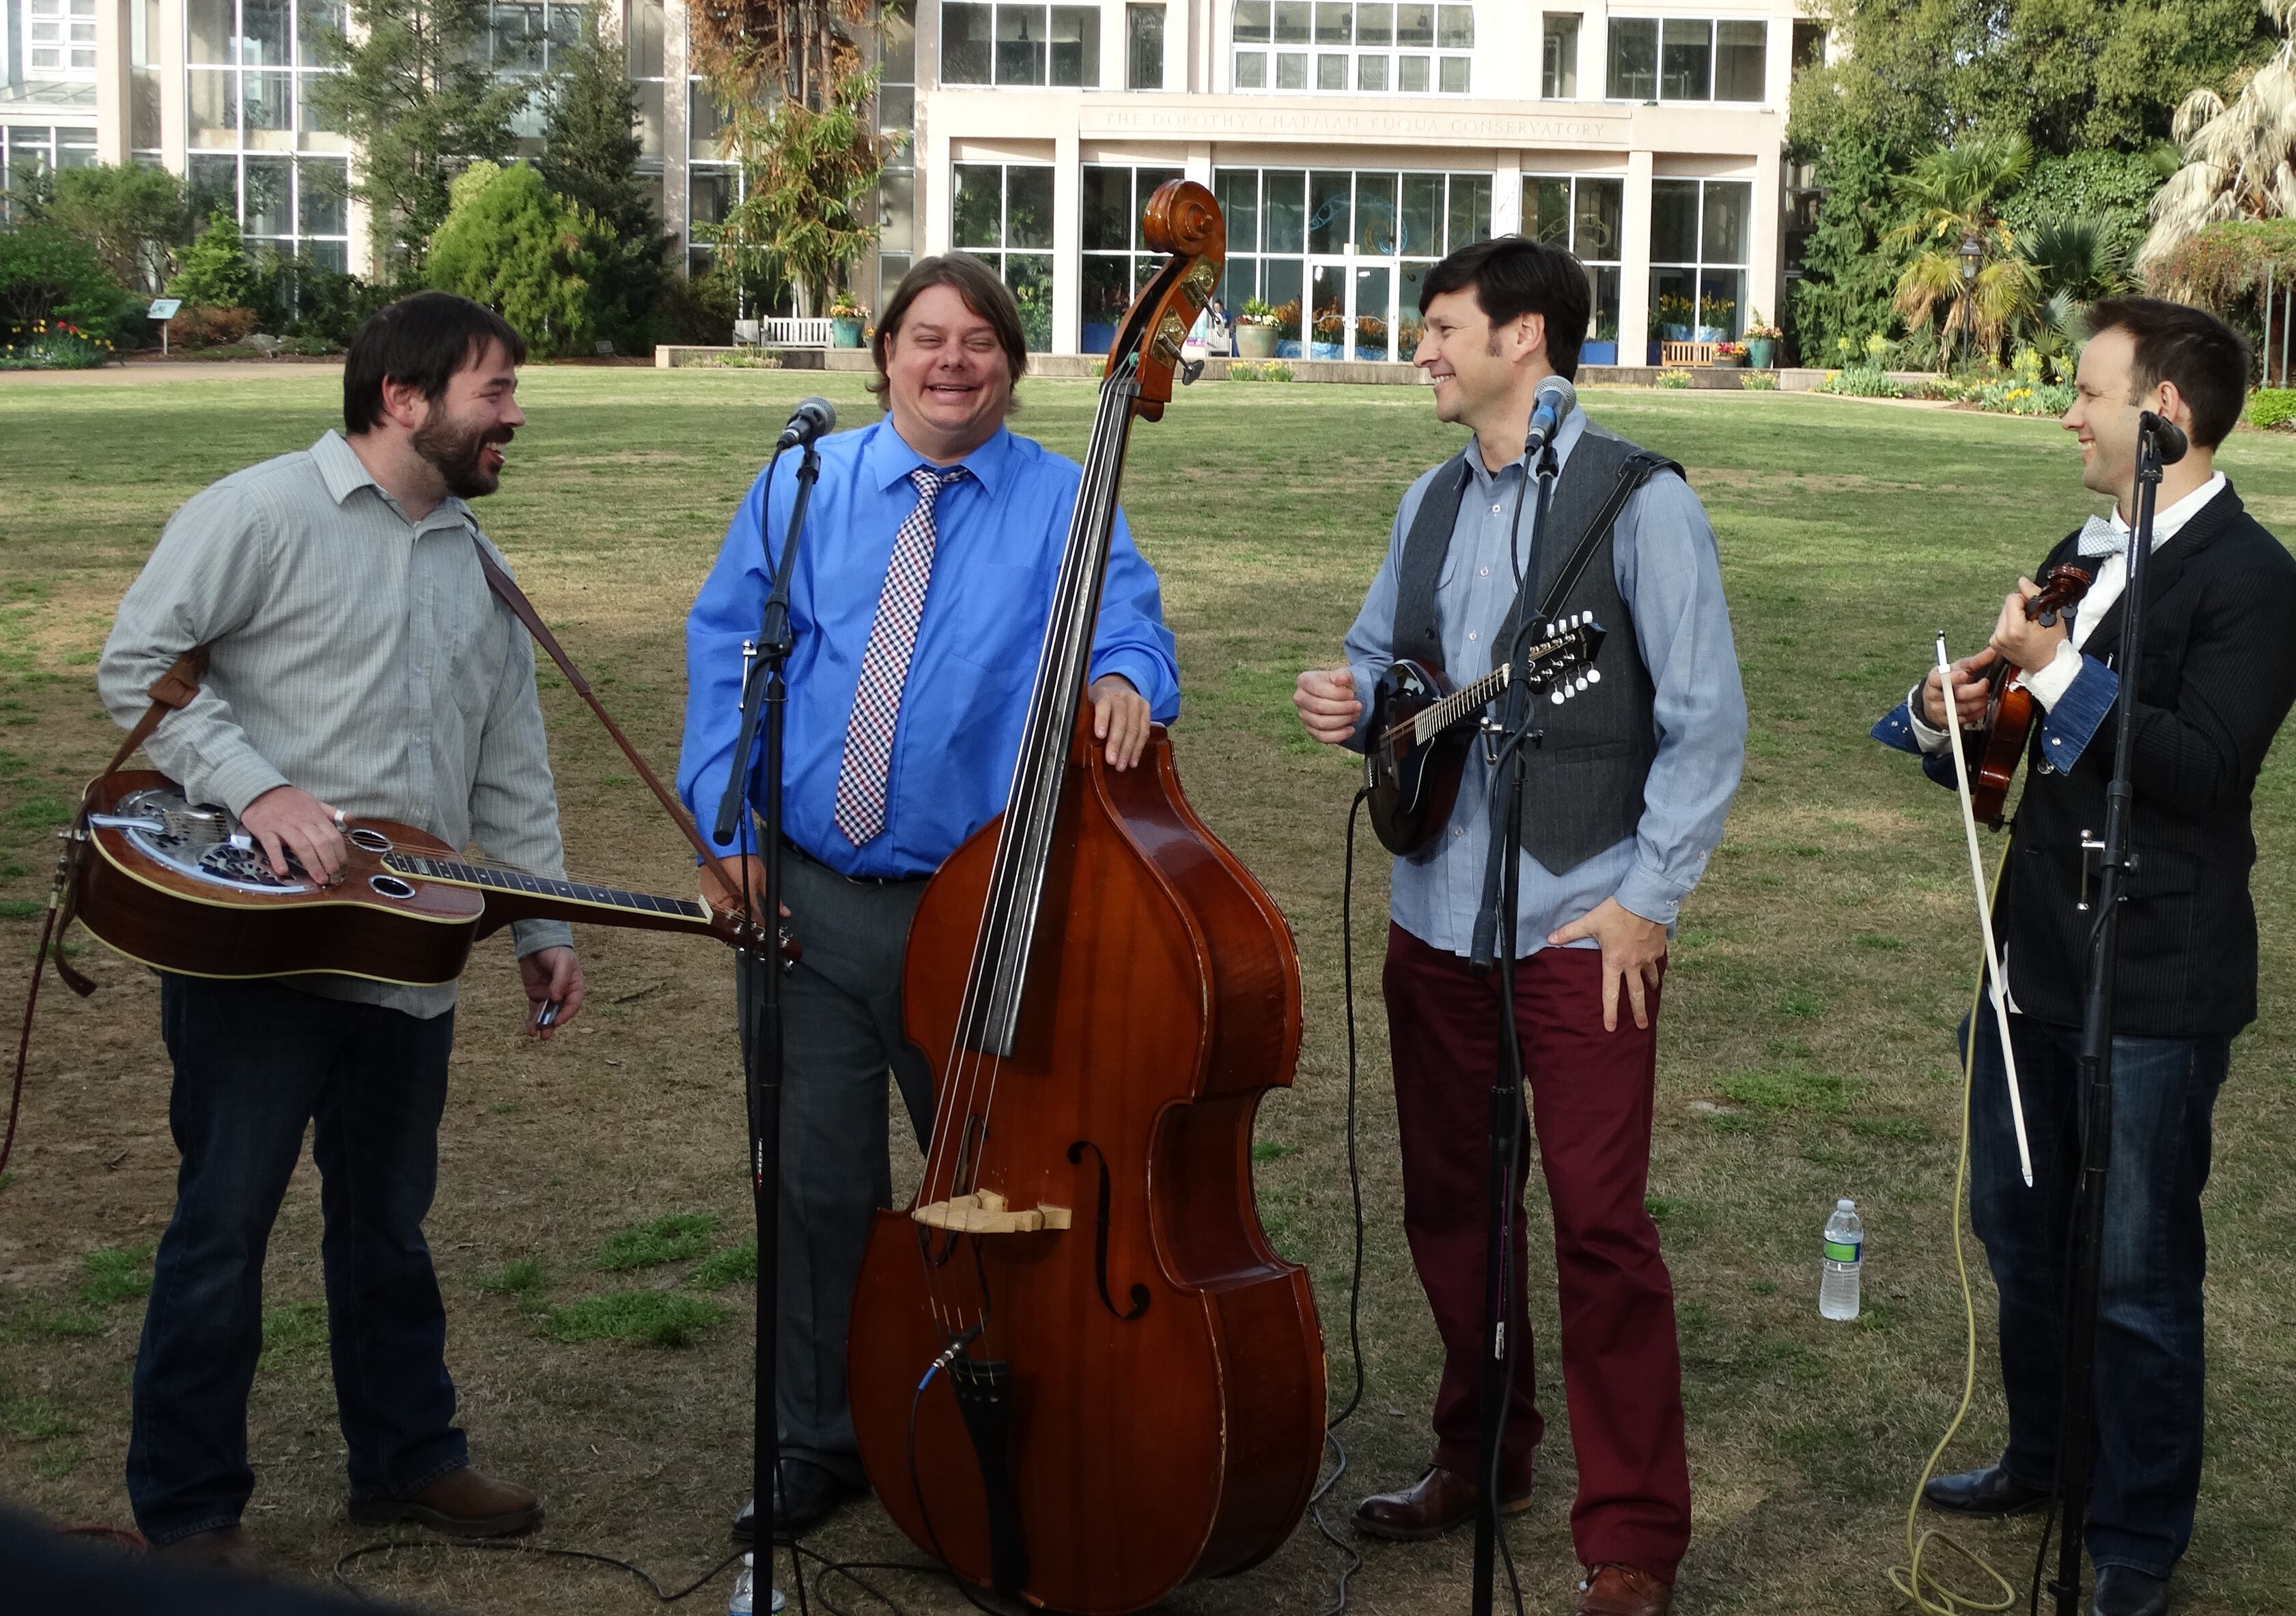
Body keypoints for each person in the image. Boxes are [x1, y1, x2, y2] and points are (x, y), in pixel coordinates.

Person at [676, 253, 1179, 1539]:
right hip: (802, 893)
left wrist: (1126, 681)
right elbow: (733, 650)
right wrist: (725, 826)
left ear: (1013, 365)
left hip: (978, 905)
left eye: (980, 342)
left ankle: (1012, 1418)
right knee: (814, 1182)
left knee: (999, 1186)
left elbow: (1128, 625)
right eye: (926, 338)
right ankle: (816, 1437)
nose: (952, 362)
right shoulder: (804, 487)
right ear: (884, 352)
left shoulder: (1069, 498)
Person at [1292, 236, 1745, 1616]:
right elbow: (1386, 662)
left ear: (1525, 337)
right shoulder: (1428, 501)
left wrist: (1645, 902)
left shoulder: (1637, 504)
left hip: (1578, 928)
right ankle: (1480, 1459)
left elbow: (1705, 721)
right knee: (1454, 1210)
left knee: (1600, 1229)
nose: (1419, 351)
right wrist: (1347, 701)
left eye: (1440, 327)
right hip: (1434, 915)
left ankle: (1631, 1540)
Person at [96, 292, 582, 1569]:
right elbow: (139, 664)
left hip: (406, 953)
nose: (515, 415)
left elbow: (510, 759)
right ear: (405, 400)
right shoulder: (256, 513)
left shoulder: (480, 563)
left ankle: (408, 1460)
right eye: (495, 389)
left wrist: (539, 916)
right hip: (255, 953)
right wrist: (258, 788)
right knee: (223, 1227)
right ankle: (191, 1512)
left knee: (387, 1224)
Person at [1871, 296, 2296, 1616]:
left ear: (2162, 418)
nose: (2067, 411)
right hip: (2033, 966)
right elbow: (2022, 746)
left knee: (2135, 1273)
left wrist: (2058, 672)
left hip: (2156, 979)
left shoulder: (2256, 584)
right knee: (2020, 1233)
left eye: (2088, 391)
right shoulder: (2085, 546)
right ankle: (2047, 1456)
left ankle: (2132, 1535)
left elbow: (2200, 769)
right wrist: (1954, 706)